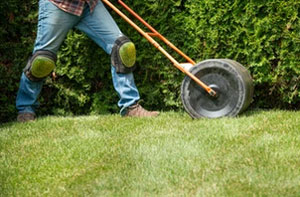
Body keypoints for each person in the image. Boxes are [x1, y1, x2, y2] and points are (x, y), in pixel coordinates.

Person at [16, 0, 159, 122]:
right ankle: (25, 110)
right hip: (58, 5)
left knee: (123, 48)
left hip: (89, 5)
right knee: (42, 61)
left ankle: (131, 107)